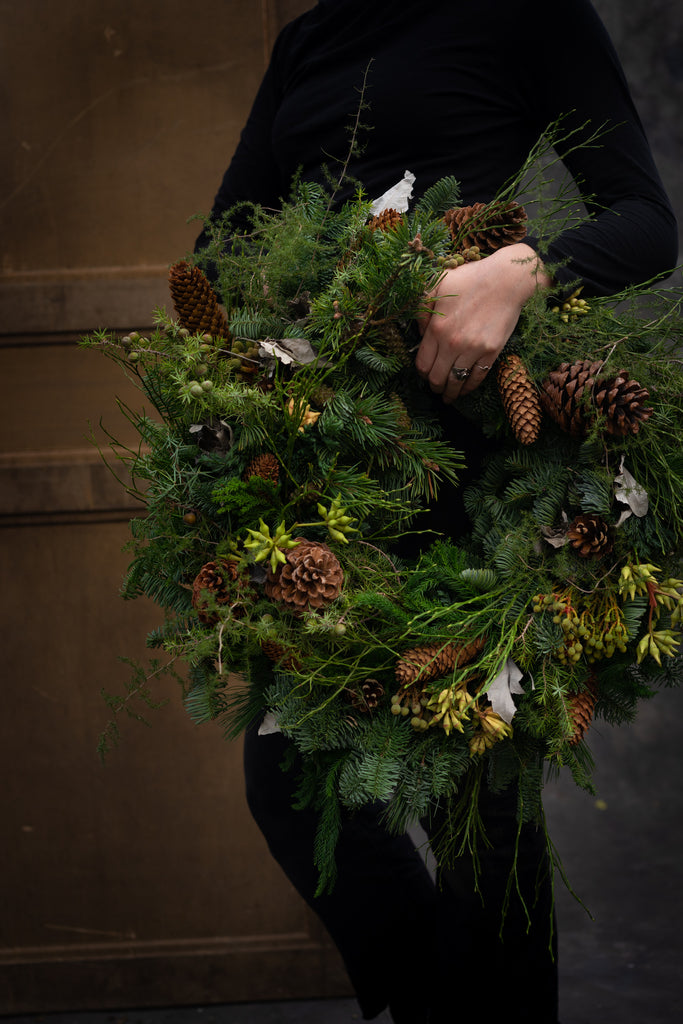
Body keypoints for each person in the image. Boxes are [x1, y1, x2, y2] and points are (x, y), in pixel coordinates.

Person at [194, 2, 678, 1021]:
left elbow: (643, 220)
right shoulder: (311, 37)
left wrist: (518, 269)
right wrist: (283, 323)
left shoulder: (526, 16)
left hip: (472, 471)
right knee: (288, 784)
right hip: (326, 478)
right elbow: (219, 250)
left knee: (481, 823)